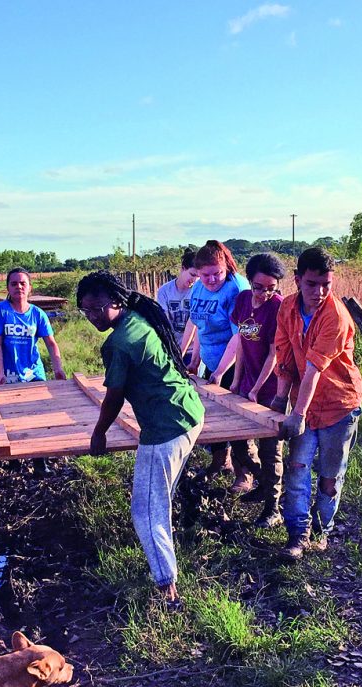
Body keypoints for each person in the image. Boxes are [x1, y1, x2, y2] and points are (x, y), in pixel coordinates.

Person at [78, 271, 204, 609]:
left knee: (146, 512)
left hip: (166, 427)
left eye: (97, 309)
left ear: (116, 301)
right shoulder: (137, 317)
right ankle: (167, 569)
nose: (92, 317)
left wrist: (99, 432)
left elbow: (115, 398)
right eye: (85, 311)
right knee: (158, 501)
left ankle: (168, 591)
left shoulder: (119, 343)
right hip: (188, 412)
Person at [273, 247, 362, 559]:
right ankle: (298, 534)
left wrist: (295, 414)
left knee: (329, 476)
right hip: (304, 405)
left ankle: (322, 531)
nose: (320, 291)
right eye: (312, 284)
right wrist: (279, 399)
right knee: (297, 468)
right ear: (297, 280)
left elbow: (313, 369)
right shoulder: (286, 309)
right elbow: (283, 356)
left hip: (339, 404)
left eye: (326, 283)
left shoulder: (335, 316)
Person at [207, 252, 285, 517]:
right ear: (249, 281)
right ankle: (261, 481)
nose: (264, 293)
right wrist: (238, 382)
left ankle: (272, 507)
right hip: (247, 382)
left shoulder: (278, 308)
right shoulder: (242, 300)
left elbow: (274, 354)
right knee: (239, 441)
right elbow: (241, 340)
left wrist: (256, 389)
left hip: (272, 387)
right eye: (259, 287)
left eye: (270, 289)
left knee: (270, 449)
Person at [180, 239, 250, 478]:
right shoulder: (199, 288)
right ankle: (221, 461)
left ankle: (245, 473)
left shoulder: (236, 289)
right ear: (198, 273)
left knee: (235, 417)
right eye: (205, 275)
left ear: (226, 268)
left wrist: (220, 372)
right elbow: (201, 325)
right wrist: (194, 360)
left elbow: (240, 336)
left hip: (234, 364)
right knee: (211, 414)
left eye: (217, 274)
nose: (211, 280)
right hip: (211, 362)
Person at [0, 267, 66, 385]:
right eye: (14, 284)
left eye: (22, 283)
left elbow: (51, 343)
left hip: (33, 374)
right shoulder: (0, 310)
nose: (18, 287)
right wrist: (0, 372)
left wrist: (58, 369)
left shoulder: (38, 314)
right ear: (8, 288)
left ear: (30, 288)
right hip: (7, 374)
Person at [155, 247, 198, 343]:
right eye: (192, 275)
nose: (195, 280)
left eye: (198, 277)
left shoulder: (199, 291)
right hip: (171, 346)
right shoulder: (164, 291)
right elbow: (163, 321)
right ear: (183, 269)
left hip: (192, 349)